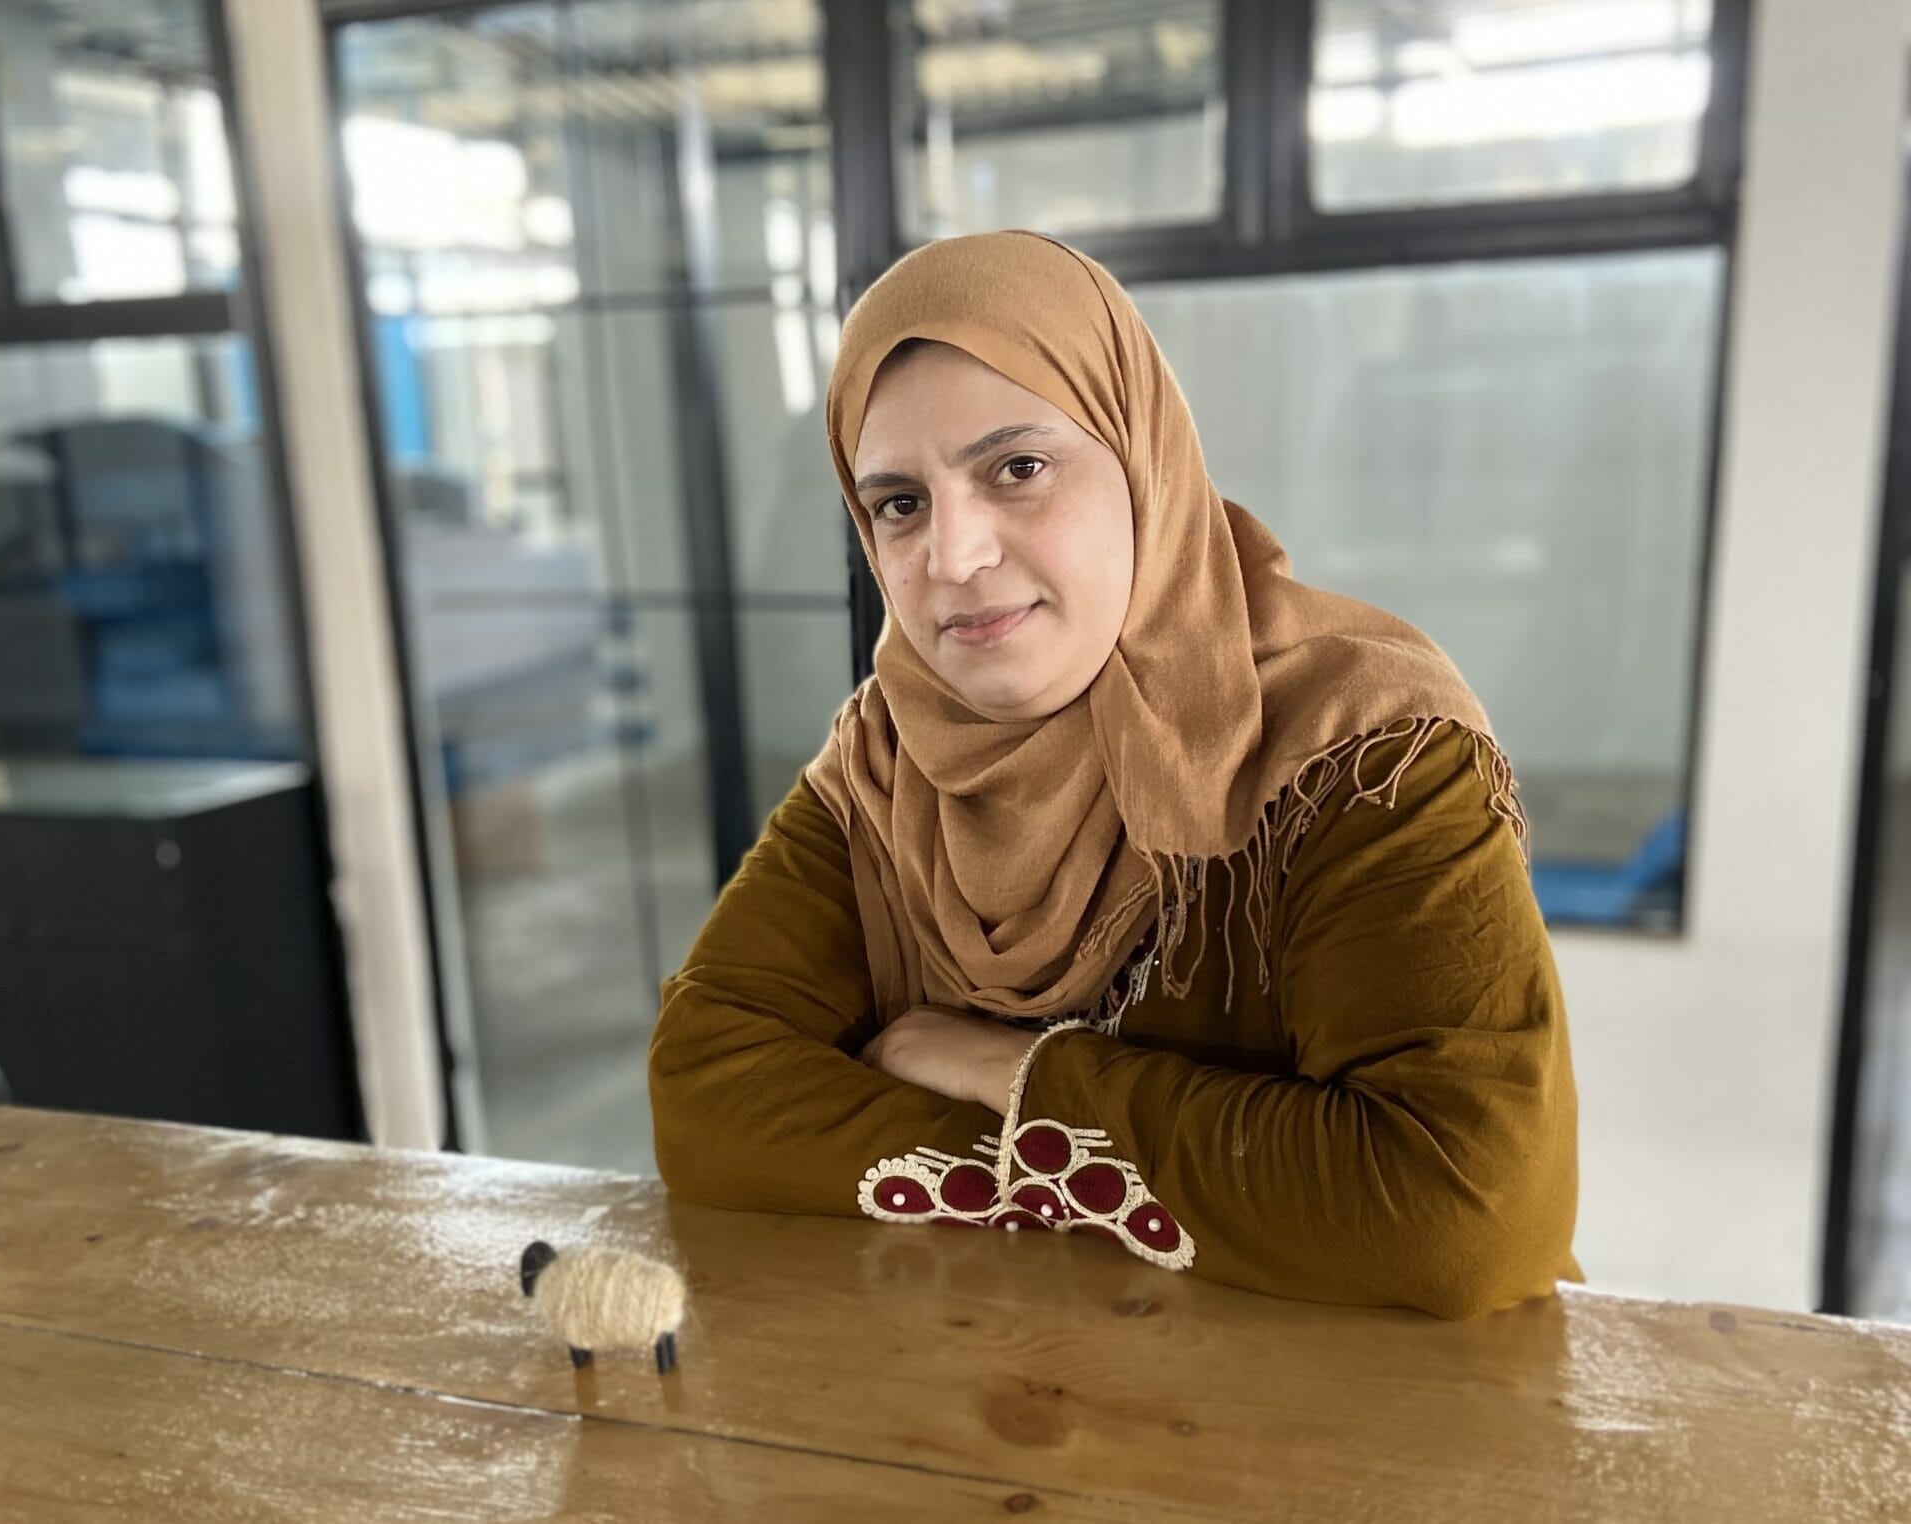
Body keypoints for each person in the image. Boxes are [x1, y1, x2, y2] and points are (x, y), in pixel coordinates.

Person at [649, 230, 1579, 1320]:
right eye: (899, 503)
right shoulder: (892, 758)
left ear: (1142, 463)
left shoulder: (1363, 749)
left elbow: (1454, 1212)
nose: (952, 556)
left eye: (1019, 469)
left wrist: (1011, 1073)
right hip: (1011, 1407)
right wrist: (1128, 1179)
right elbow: (707, 1093)